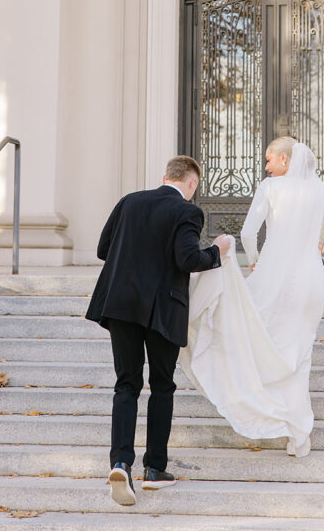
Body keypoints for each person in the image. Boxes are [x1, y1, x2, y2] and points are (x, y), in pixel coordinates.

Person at [180, 137, 324, 458]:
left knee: (259, 343)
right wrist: (321, 250)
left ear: (286, 160)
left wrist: (253, 260)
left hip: (272, 274)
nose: (267, 166)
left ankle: (261, 409)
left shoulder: (271, 188)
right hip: (310, 281)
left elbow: (246, 233)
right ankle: (298, 435)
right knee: (299, 353)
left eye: (271, 159)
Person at [85, 155, 231, 507]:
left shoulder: (129, 201)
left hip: (119, 305)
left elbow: (104, 249)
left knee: (127, 384)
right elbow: (188, 260)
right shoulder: (188, 212)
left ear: (165, 176)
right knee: (162, 386)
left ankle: (120, 462)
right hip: (163, 309)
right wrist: (218, 251)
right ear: (192, 184)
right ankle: (154, 470)